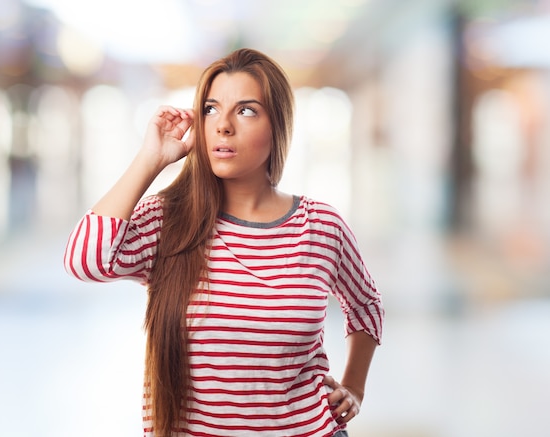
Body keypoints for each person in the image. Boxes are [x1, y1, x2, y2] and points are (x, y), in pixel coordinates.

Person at [64, 47, 384, 437]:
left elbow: (366, 303)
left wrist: (354, 387)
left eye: (246, 110)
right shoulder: (169, 221)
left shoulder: (320, 225)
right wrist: (151, 158)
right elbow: (85, 260)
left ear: (278, 126)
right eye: (211, 109)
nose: (223, 125)